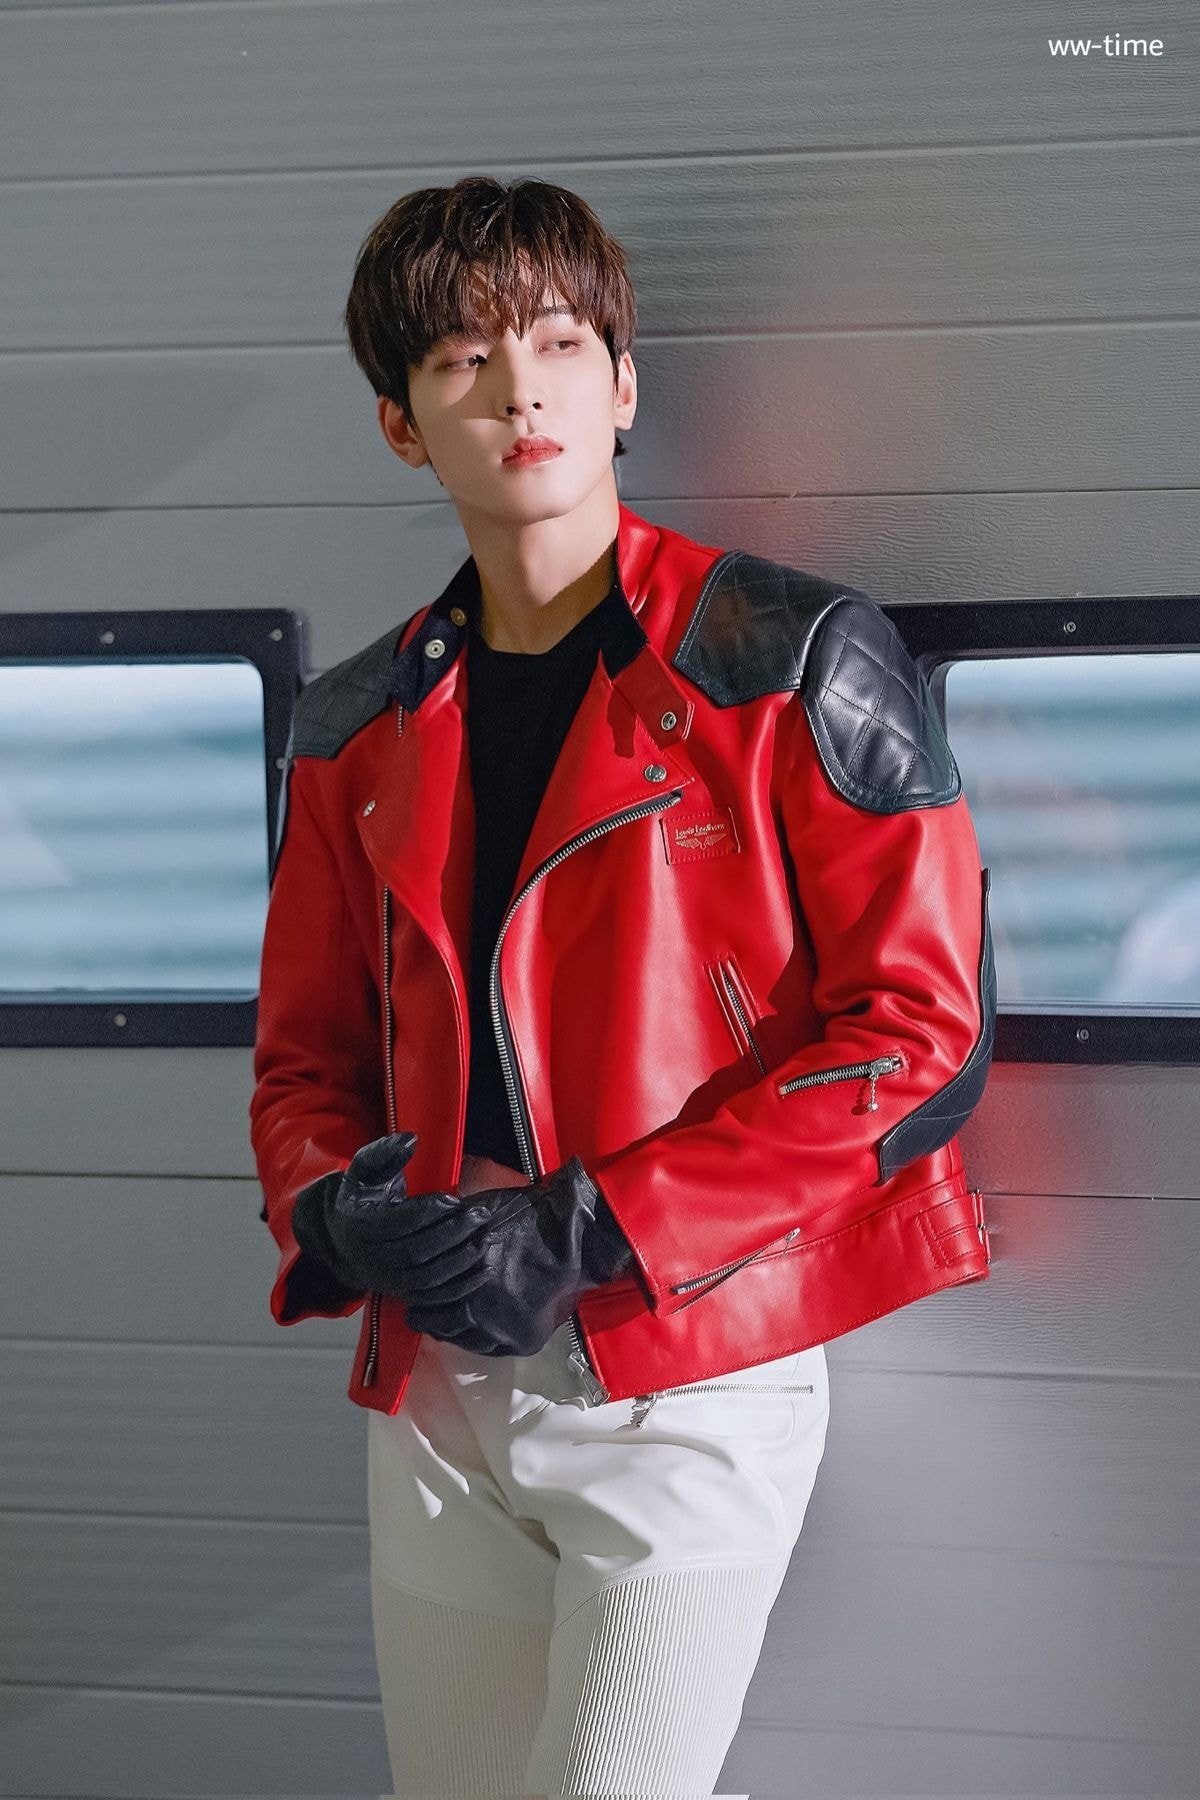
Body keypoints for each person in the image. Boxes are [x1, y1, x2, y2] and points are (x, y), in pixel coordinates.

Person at [249, 174, 996, 1797]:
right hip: (438, 1385)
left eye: (560, 344)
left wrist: (592, 1229)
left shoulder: (790, 661)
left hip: (689, 1362)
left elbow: (919, 1039)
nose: (520, 391)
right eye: (464, 360)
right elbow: (304, 1062)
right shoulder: (352, 728)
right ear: (400, 425)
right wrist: (335, 1214)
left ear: (625, 385)